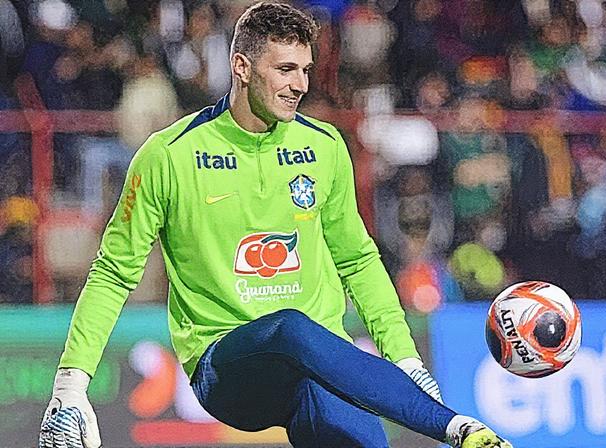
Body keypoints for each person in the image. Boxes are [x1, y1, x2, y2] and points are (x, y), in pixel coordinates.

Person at [37, 3, 512, 448]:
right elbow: (113, 272)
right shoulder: (169, 156)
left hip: (318, 367)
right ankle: (456, 426)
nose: (300, 84)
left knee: (315, 359)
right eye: (285, 69)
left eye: (305, 70)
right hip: (228, 369)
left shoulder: (324, 145)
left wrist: (405, 358)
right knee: (290, 328)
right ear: (241, 67)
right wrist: (71, 385)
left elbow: (357, 259)